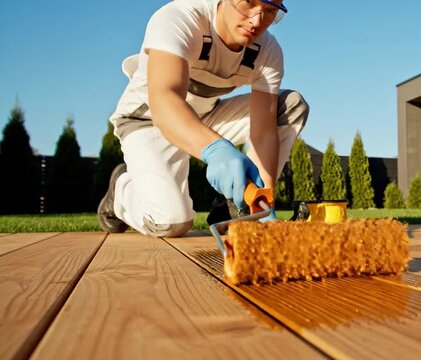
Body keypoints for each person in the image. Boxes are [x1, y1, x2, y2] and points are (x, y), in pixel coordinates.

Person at [97, 0, 309, 237]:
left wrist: (262, 205)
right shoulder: (179, 19)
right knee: (171, 222)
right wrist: (215, 149)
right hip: (148, 121)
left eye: (269, 11)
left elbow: (264, 132)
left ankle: (239, 211)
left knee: (290, 105)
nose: (257, 21)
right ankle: (122, 191)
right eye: (249, 2)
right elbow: (165, 100)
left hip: (206, 118)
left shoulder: (268, 51)